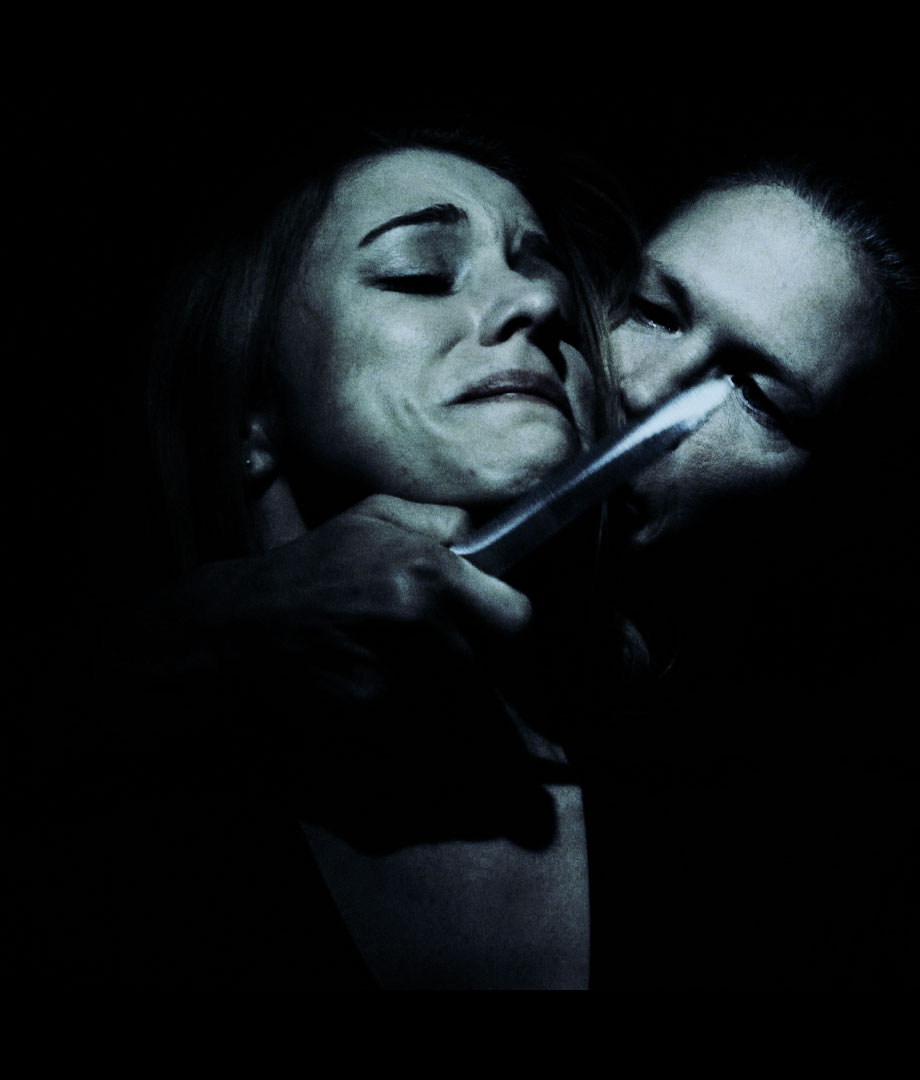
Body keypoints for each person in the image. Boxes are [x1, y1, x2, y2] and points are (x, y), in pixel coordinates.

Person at [51, 125, 621, 989]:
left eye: (548, 280)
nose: (538, 302)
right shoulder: (104, 808)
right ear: (246, 413)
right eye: (419, 273)